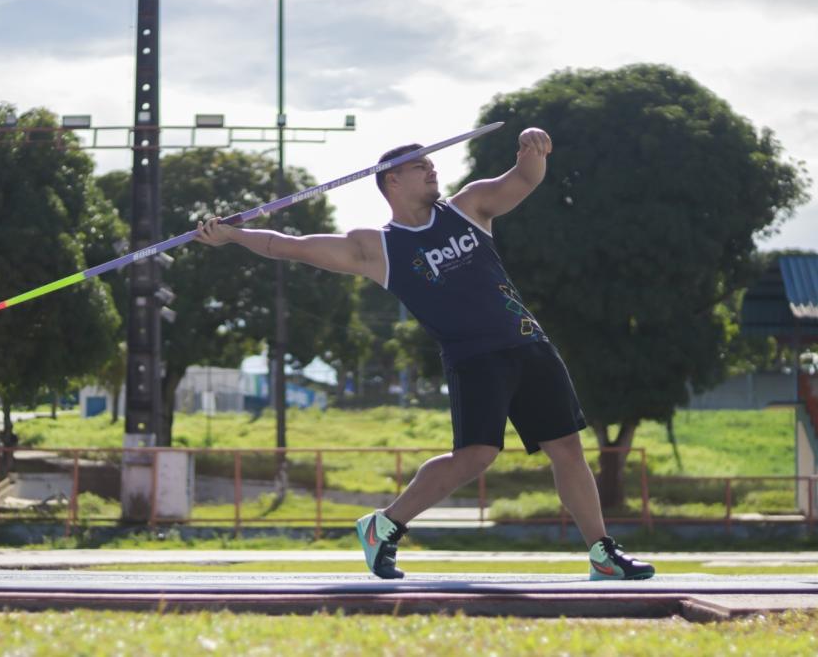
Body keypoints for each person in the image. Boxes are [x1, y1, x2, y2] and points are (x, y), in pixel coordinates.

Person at [194, 127, 655, 582]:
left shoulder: (469, 206)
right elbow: (288, 246)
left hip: (529, 343)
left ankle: (602, 552)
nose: (433, 170)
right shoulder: (376, 248)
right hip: (474, 358)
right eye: (421, 166)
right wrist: (234, 236)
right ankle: (385, 525)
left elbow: (524, 178)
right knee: (476, 456)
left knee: (567, 449)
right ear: (392, 180)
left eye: (433, 164)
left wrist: (533, 143)